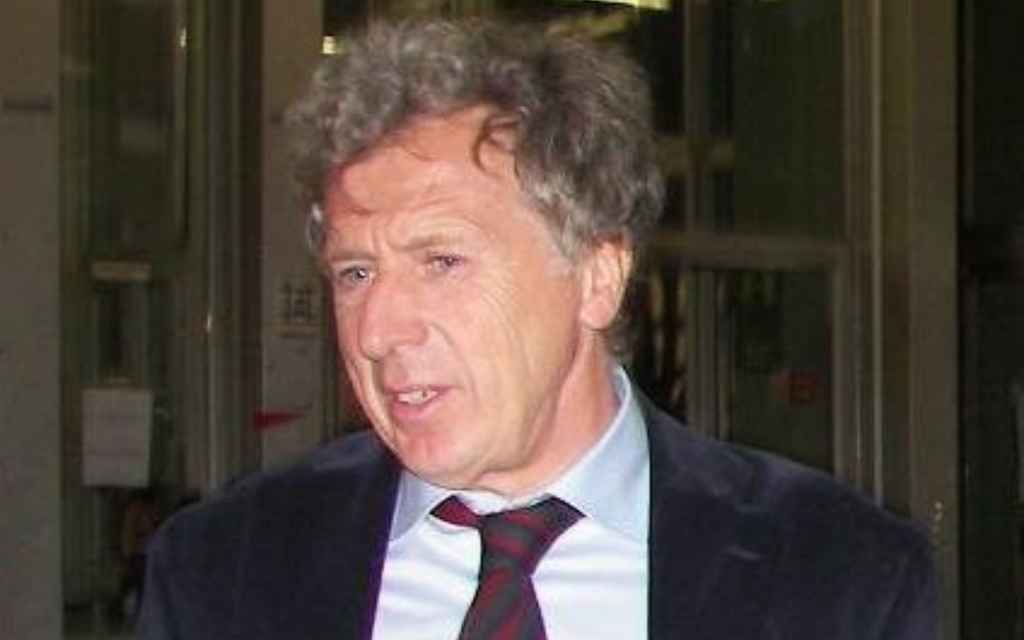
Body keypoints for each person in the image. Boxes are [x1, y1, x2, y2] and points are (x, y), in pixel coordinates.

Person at [136, 17, 938, 640]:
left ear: (596, 275)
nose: (377, 330)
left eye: (441, 261)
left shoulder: (836, 575)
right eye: (355, 273)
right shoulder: (227, 569)